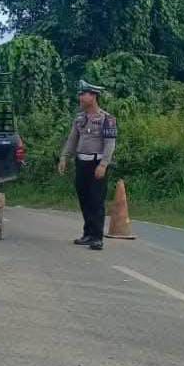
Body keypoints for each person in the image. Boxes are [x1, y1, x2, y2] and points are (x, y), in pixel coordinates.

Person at [58, 80, 117, 251]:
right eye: (80, 94)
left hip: (97, 163)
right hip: (81, 163)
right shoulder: (79, 119)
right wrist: (64, 157)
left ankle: (97, 237)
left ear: (94, 96)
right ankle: (88, 233)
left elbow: (109, 144)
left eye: (84, 94)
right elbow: (72, 140)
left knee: (96, 200)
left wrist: (103, 164)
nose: (81, 97)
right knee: (84, 198)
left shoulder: (107, 119)